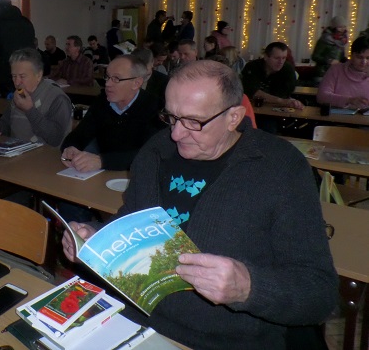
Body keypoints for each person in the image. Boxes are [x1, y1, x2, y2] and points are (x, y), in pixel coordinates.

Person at [62, 60, 337, 350]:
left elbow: (320, 293)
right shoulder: (156, 150)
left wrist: (248, 288)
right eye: (171, 117)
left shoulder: (280, 168)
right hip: (136, 321)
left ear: (233, 117)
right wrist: (96, 238)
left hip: (224, 341)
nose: (176, 134)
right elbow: (131, 222)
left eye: (194, 122)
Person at [60, 55, 161, 172]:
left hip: (138, 175)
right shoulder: (102, 102)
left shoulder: (155, 107)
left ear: (136, 83)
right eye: (107, 77)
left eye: (116, 79)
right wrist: (70, 148)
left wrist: (102, 161)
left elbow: (152, 153)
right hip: (103, 174)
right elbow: (79, 135)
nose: (107, 84)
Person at [0, 48, 72, 147]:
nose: (17, 82)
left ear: (38, 75)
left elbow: (55, 139)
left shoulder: (58, 98)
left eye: (22, 76)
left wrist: (29, 110)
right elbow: (6, 123)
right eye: (14, 76)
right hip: (15, 151)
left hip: (44, 155)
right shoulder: (19, 94)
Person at [0, 0, 35, 95]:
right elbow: (32, 47)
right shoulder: (26, 22)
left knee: (3, 102)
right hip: (25, 72)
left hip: (2, 74)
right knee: (23, 99)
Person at [241, 42, 302, 109]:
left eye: (284, 58)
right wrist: (281, 101)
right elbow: (252, 92)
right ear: (266, 57)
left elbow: (285, 95)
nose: (281, 62)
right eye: (276, 58)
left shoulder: (288, 70)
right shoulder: (252, 67)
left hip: (277, 109)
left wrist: (283, 101)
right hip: (252, 107)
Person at [317, 36, 369, 109]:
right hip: (336, 115)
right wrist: (349, 100)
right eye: (359, 57)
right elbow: (321, 96)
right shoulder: (336, 70)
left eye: (368, 58)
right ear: (351, 56)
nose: (364, 62)